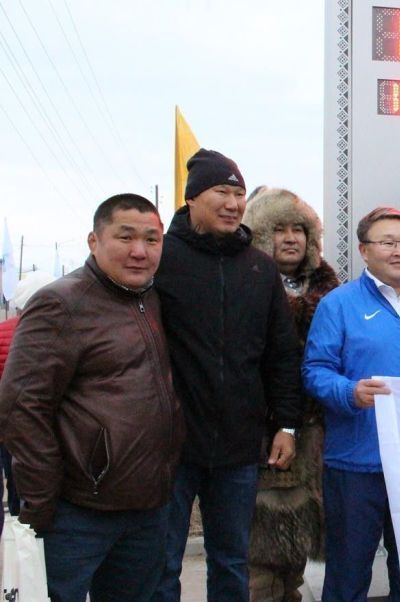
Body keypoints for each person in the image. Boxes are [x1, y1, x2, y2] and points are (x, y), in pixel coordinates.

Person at [0, 194, 184, 601]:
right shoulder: (62, 304)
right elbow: (20, 407)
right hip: (76, 514)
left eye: (152, 240)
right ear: (94, 241)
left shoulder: (153, 300)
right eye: (126, 237)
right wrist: (43, 496)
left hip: (147, 510)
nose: (139, 251)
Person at [154, 150, 304, 601]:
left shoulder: (259, 268)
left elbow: (281, 354)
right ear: (192, 199)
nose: (233, 203)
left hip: (239, 445)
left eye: (239, 194)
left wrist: (287, 423)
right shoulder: (161, 259)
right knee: (162, 562)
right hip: (172, 444)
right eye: (221, 191)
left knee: (232, 560)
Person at [304, 207, 400, 601]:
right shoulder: (338, 305)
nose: (399, 251)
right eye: (388, 243)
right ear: (364, 250)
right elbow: (315, 371)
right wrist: (349, 392)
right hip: (356, 464)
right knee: (348, 572)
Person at [242, 187, 340, 601]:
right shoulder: (245, 284)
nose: (290, 238)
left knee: (297, 544)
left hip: (314, 431)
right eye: (279, 229)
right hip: (261, 430)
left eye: (298, 229)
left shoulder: (330, 290)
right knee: (259, 554)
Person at [0, 270, 56, 525]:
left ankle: (18, 527)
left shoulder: (3, 331)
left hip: (9, 430)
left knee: (14, 483)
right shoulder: (59, 331)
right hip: (47, 428)